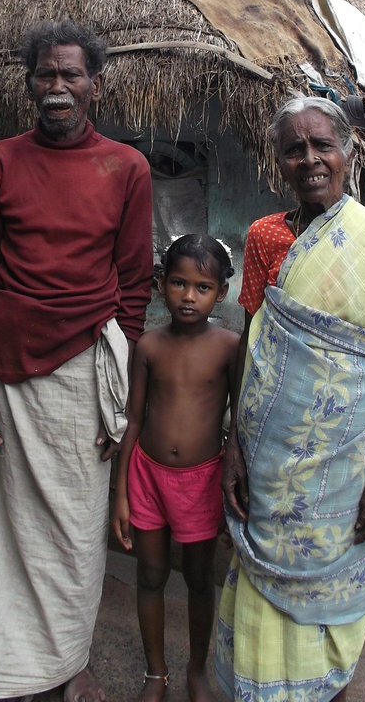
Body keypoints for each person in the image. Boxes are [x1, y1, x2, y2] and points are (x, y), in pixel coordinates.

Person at [0, 18, 153, 702]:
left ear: (95, 84)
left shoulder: (126, 167)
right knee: (2, 532)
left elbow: (133, 287)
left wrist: (121, 397)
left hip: (83, 372)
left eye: (71, 74)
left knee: (74, 525)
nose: (57, 87)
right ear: (29, 83)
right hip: (7, 372)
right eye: (45, 75)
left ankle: (70, 661)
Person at [218, 96, 365, 702]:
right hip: (270, 459)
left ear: (348, 154)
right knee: (258, 581)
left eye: (322, 145)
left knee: (334, 587)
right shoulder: (263, 239)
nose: (309, 159)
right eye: (294, 149)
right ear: (278, 162)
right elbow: (250, 341)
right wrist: (233, 444)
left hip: (348, 468)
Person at [112, 235, 239, 702]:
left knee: (200, 577)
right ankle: (155, 672)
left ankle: (197, 669)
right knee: (150, 574)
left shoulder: (229, 348)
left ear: (221, 292)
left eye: (202, 287)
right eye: (179, 283)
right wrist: (121, 492)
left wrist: (232, 485)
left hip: (203, 481)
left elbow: (239, 420)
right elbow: (134, 419)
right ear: (160, 284)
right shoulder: (148, 346)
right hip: (147, 475)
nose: (189, 296)